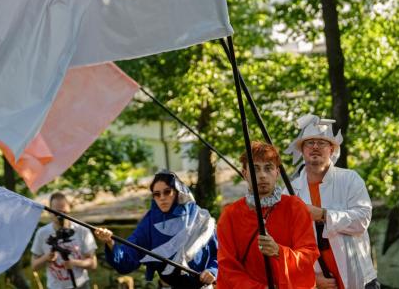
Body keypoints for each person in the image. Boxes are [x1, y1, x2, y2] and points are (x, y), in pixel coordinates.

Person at [286, 114, 380, 289]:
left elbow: (362, 219)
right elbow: (286, 244)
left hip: (359, 278)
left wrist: (323, 215)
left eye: (321, 142)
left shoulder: (350, 179)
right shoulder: (291, 191)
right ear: (302, 150)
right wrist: (312, 278)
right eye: (309, 143)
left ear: (331, 149)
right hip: (319, 283)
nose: (315, 147)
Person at [217, 141, 318, 289]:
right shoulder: (230, 215)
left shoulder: (295, 207)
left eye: (268, 168)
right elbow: (227, 268)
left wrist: (278, 251)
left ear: (277, 172)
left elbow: (308, 255)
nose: (262, 175)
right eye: (255, 169)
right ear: (245, 173)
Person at [93, 170, 217, 288]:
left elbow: (221, 255)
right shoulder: (149, 224)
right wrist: (110, 242)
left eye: (167, 192)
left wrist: (212, 271)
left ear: (178, 192)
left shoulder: (201, 218)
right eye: (156, 194)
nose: (162, 197)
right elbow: (127, 260)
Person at [32, 192, 98, 289]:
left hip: (81, 285)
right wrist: (47, 257)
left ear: (69, 209)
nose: (61, 216)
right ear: (50, 211)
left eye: (65, 213)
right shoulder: (42, 233)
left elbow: (93, 264)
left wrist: (74, 262)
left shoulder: (82, 230)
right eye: (57, 213)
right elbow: (34, 266)